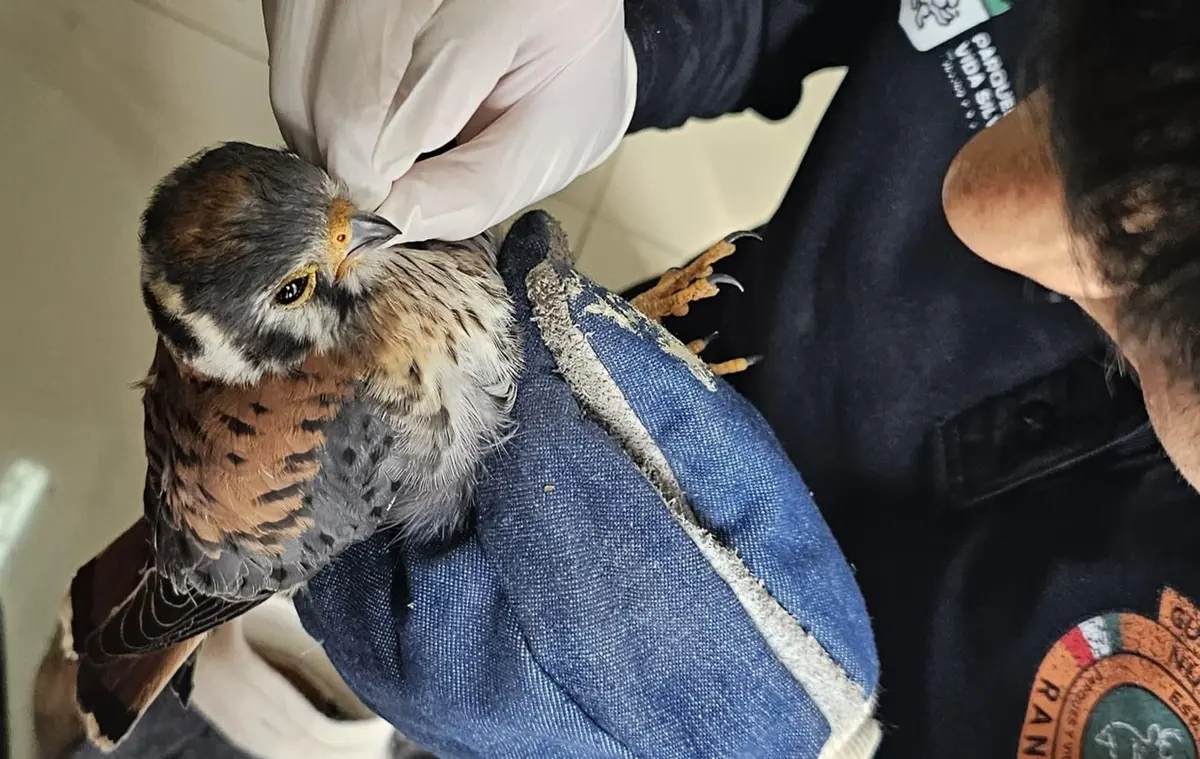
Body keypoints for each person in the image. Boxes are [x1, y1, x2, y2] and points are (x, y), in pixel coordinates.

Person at [264, 0, 1200, 757]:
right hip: (617, 383)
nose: (984, 213)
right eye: (1089, 96)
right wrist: (623, 35)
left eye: (1164, 310)